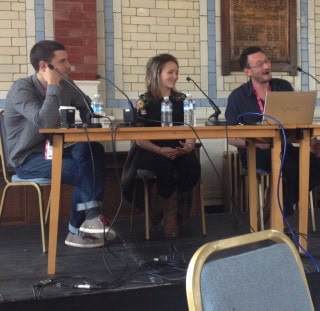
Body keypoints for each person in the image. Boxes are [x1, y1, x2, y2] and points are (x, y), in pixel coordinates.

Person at [4, 40, 114, 248]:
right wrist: (53, 85)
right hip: (27, 159)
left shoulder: (67, 85)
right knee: (81, 168)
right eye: (62, 61)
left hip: (56, 151)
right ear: (45, 66)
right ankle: (82, 225)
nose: (69, 66)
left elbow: (87, 109)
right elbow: (44, 121)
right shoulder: (21, 88)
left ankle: (86, 222)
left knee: (93, 150)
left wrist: (88, 114)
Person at [225, 46, 320, 218]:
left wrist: (308, 141)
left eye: (266, 61)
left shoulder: (283, 86)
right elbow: (230, 136)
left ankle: (275, 205)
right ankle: (282, 216)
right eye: (259, 64)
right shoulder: (238, 96)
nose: (266, 67)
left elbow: (299, 120)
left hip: (284, 147)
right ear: (248, 71)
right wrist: (254, 142)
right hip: (256, 151)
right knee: (288, 167)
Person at [121, 53, 201, 238]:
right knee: (164, 166)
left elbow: (190, 129)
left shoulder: (182, 100)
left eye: (177, 72)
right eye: (170, 72)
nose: (175, 76)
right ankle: (168, 215)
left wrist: (189, 145)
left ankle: (165, 210)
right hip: (150, 150)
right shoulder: (144, 101)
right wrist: (160, 150)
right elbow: (139, 138)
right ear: (157, 73)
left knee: (190, 166)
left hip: (178, 149)